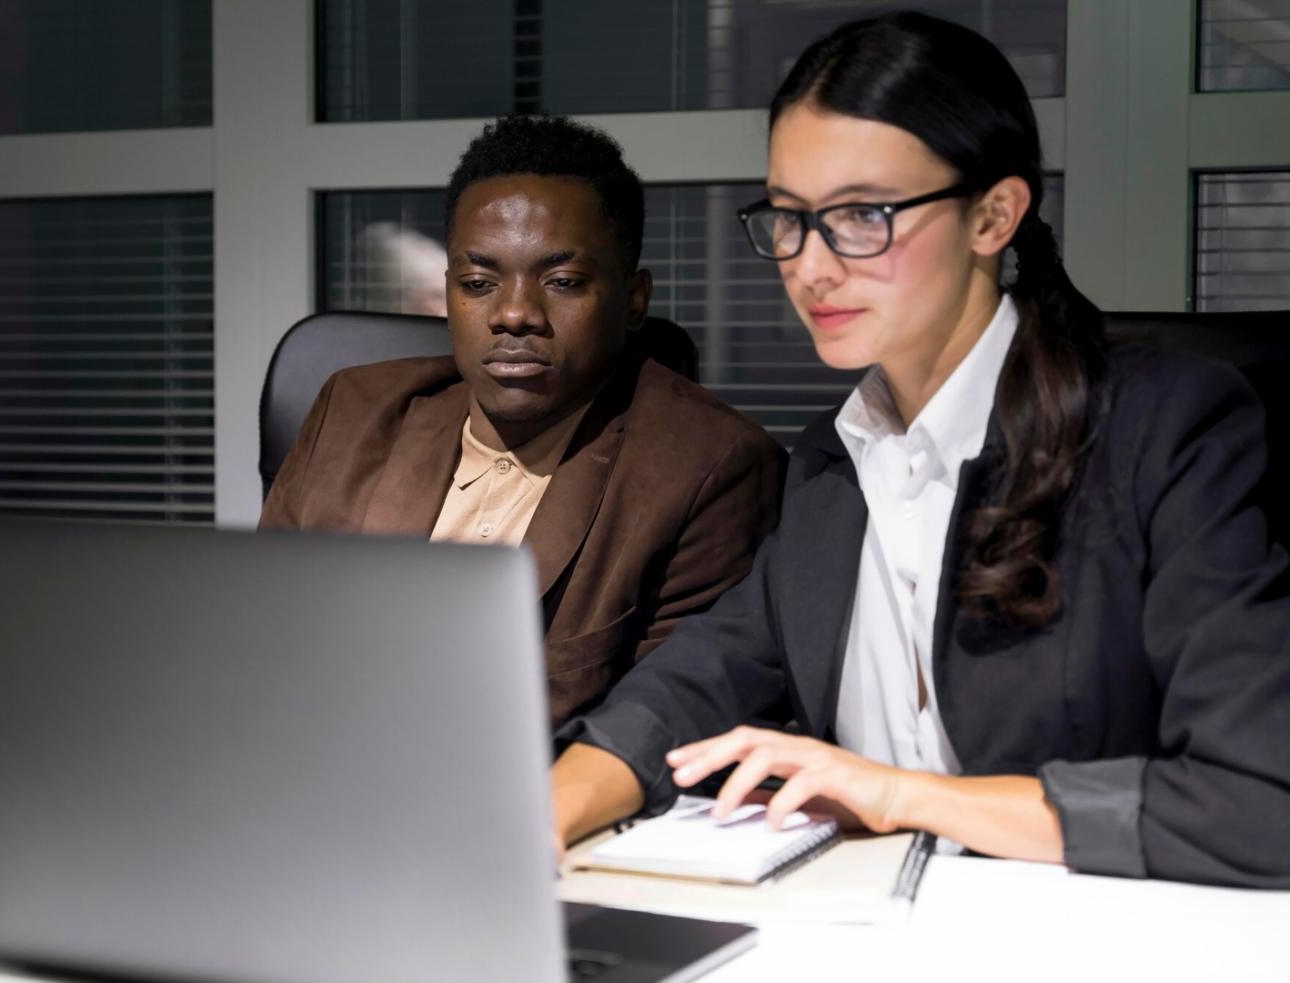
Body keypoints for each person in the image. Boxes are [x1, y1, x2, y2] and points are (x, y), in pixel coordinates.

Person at [550, 12, 1290, 888]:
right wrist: (528, 820)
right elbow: (686, 686)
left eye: (862, 215)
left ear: (993, 216)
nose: (811, 267)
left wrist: (902, 793)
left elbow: (1260, 802)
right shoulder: (835, 460)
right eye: (789, 219)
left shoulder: (1162, 432)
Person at [261, 114, 786, 727]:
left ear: (635, 298)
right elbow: (259, 640)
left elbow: (661, 727)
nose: (513, 314)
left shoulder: (709, 469)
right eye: (478, 282)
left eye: (562, 281)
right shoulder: (352, 411)